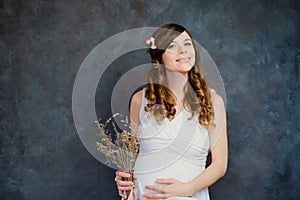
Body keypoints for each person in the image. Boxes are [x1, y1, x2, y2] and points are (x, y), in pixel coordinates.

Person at [115, 23, 228, 200]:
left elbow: (220, 165)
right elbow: (131, 155)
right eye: (172, 46)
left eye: (187, 44)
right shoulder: (140, 100)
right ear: (159, 57)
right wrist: (125, 180)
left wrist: (186, 189)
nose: (182, 50)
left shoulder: (213, 102)